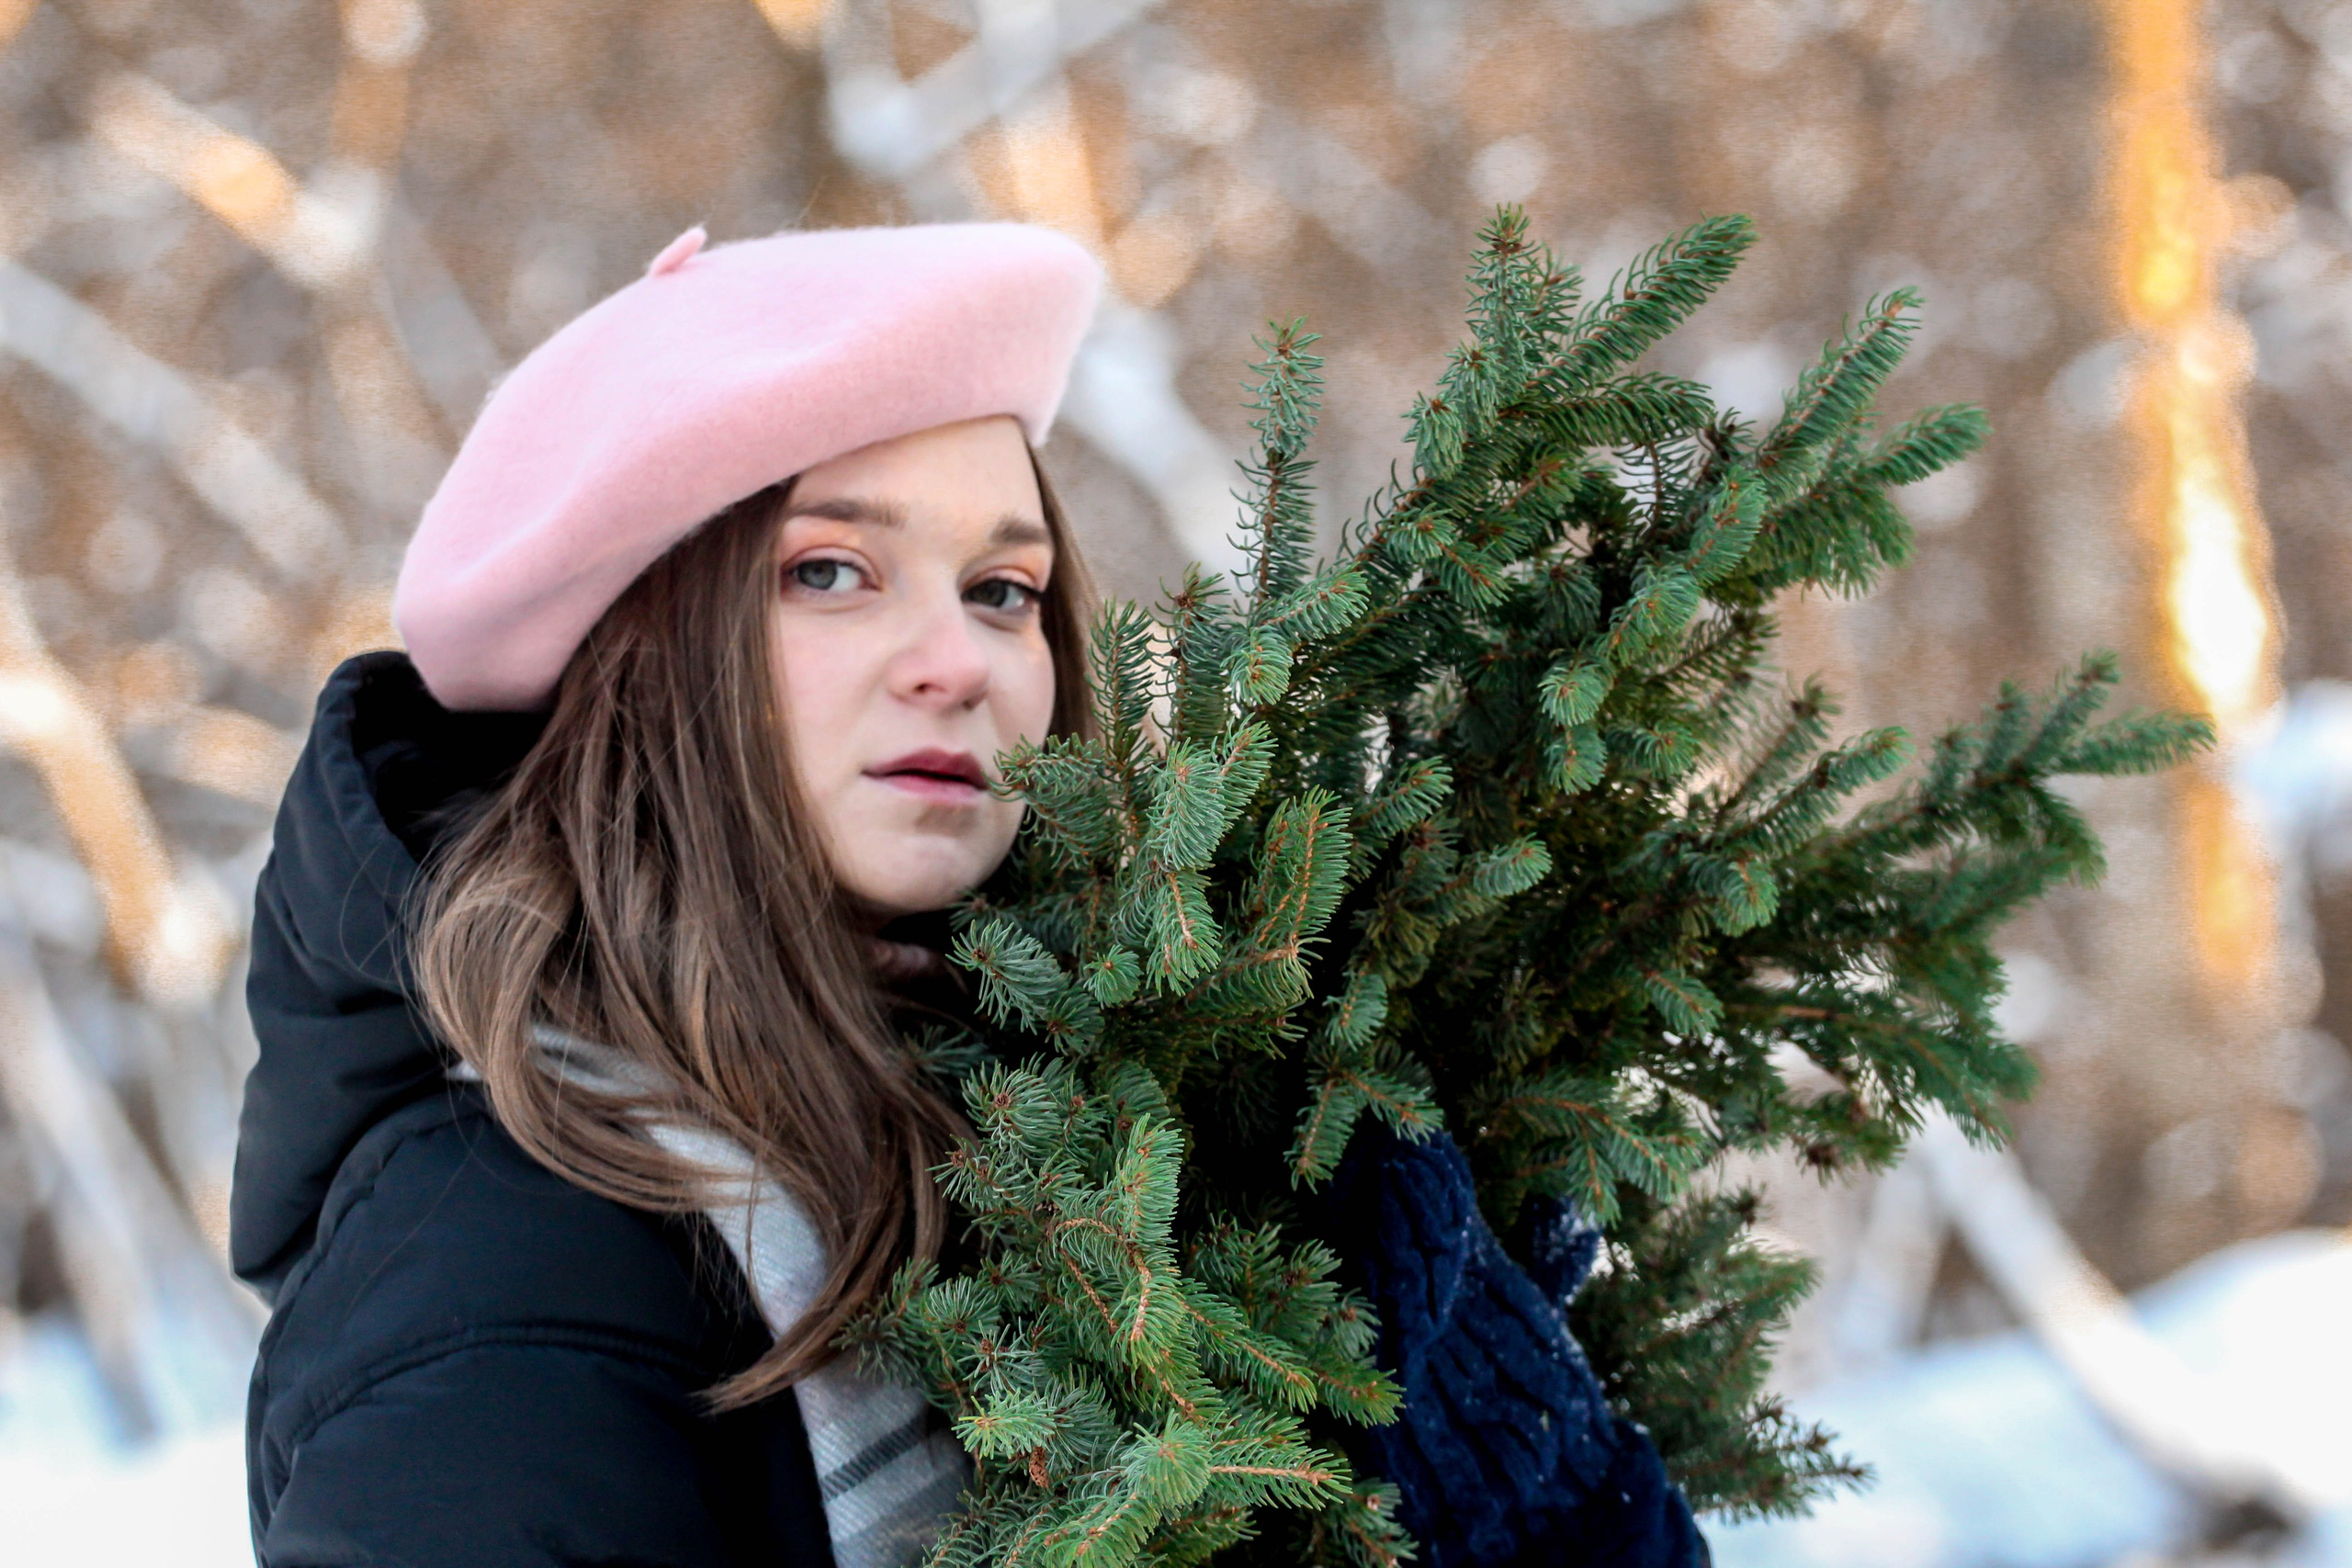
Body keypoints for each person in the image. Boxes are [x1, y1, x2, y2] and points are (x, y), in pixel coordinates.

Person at [230, 222, 1102, 1568]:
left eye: (1002, 589)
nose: (957, 659)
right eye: (829, 570)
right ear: (639, 649)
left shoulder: (1066, 1127)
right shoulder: (504, 1281)